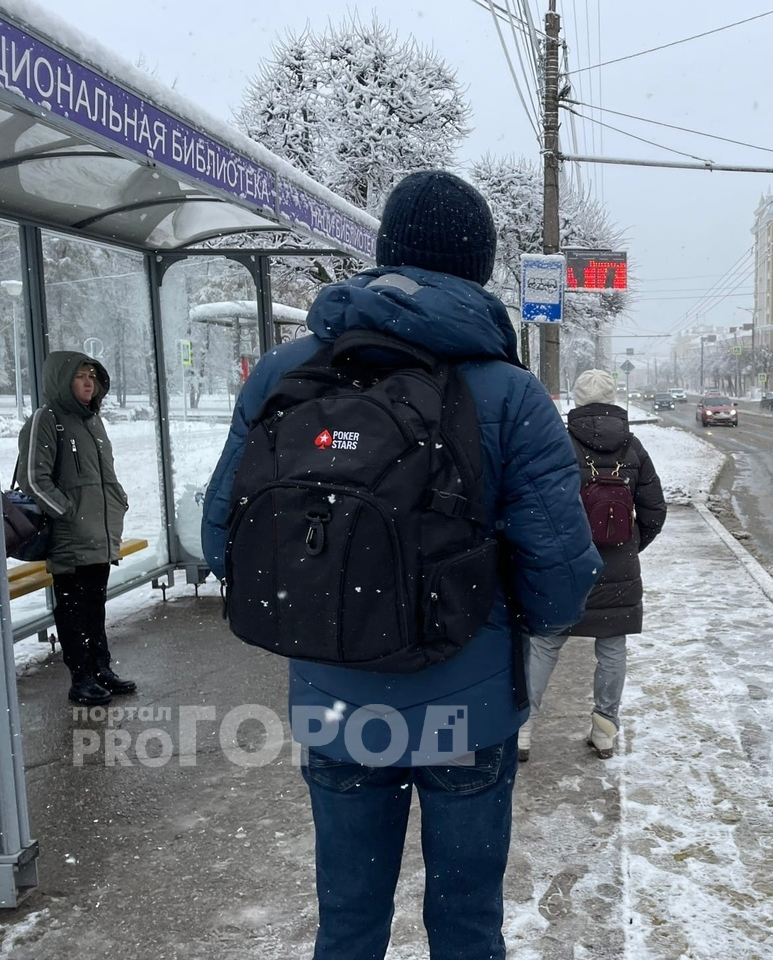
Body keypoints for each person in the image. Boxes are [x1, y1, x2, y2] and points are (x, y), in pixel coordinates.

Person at [201, 170, 600, 960]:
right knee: (465, 925)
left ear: (383, 252)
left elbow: (221, 543)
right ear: (479, 267)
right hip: (471, 707)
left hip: (336, 704)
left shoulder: (287, 373)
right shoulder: (511, 394)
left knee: (348, 923)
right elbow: (562, 577)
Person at [521, 368, 666, 761]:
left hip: (564, 565)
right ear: (613, 398)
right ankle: (604, 730)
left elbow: (539, 506)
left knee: (545, 641)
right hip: (618, 564)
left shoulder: (558, 443)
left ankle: (523, 729)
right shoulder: (633, 447)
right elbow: (655, 510)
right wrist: (630, 545)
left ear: (577, 400)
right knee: (612, 646)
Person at [16, 353, 133, 705]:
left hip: (98, 532)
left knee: (95, 604)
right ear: (62, 380)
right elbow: (32, 479)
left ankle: (101, 670)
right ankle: (80, 678)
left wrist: (118, 502)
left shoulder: (93, 421)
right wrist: (66, 512)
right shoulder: (47, 419)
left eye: (92, 377)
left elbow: (103, 477)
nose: (88, 383)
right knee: (72, 607)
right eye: (80, 376)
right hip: (69, 536)